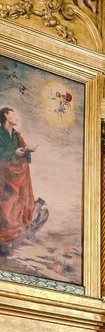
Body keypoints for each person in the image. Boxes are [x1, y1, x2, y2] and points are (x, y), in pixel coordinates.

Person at [0, 107, 36, 254]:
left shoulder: (17, 135)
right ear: (5, 116)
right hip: (2, 176)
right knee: (4, 205)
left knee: (17, 204)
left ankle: (9, 240)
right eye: (13, 114)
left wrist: (26, 151)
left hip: (17, 176)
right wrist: (13, 153)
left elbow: (24, 155)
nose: (16, 116)